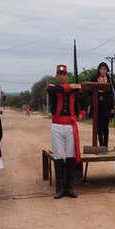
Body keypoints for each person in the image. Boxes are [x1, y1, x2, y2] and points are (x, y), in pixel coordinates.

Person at [47, 64, 81, 199]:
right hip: (57, 125)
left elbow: (81, 92)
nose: (62, 76)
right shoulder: (52, 87)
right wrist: (71, 87)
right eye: (59, 74)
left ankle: (70, 187)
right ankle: (60, 188)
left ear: (67, 76)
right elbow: (54, 89)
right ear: (57, 76)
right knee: (59, 156)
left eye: (64, 74)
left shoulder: (74, 89)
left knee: (70, 156)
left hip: (70, 126)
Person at [90, 62, 115, 147]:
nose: (103, 71)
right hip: (97, 105)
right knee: (98, 127)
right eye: (101, 69)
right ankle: (101, 144)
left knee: (105, 126)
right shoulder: (94, 78)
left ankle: (105, 145)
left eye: (104, 69)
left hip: (106, 106)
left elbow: (113, 93)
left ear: (107, 70)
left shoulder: (110, 79)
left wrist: (113, 106)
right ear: (98, 70)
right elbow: (89, 91)